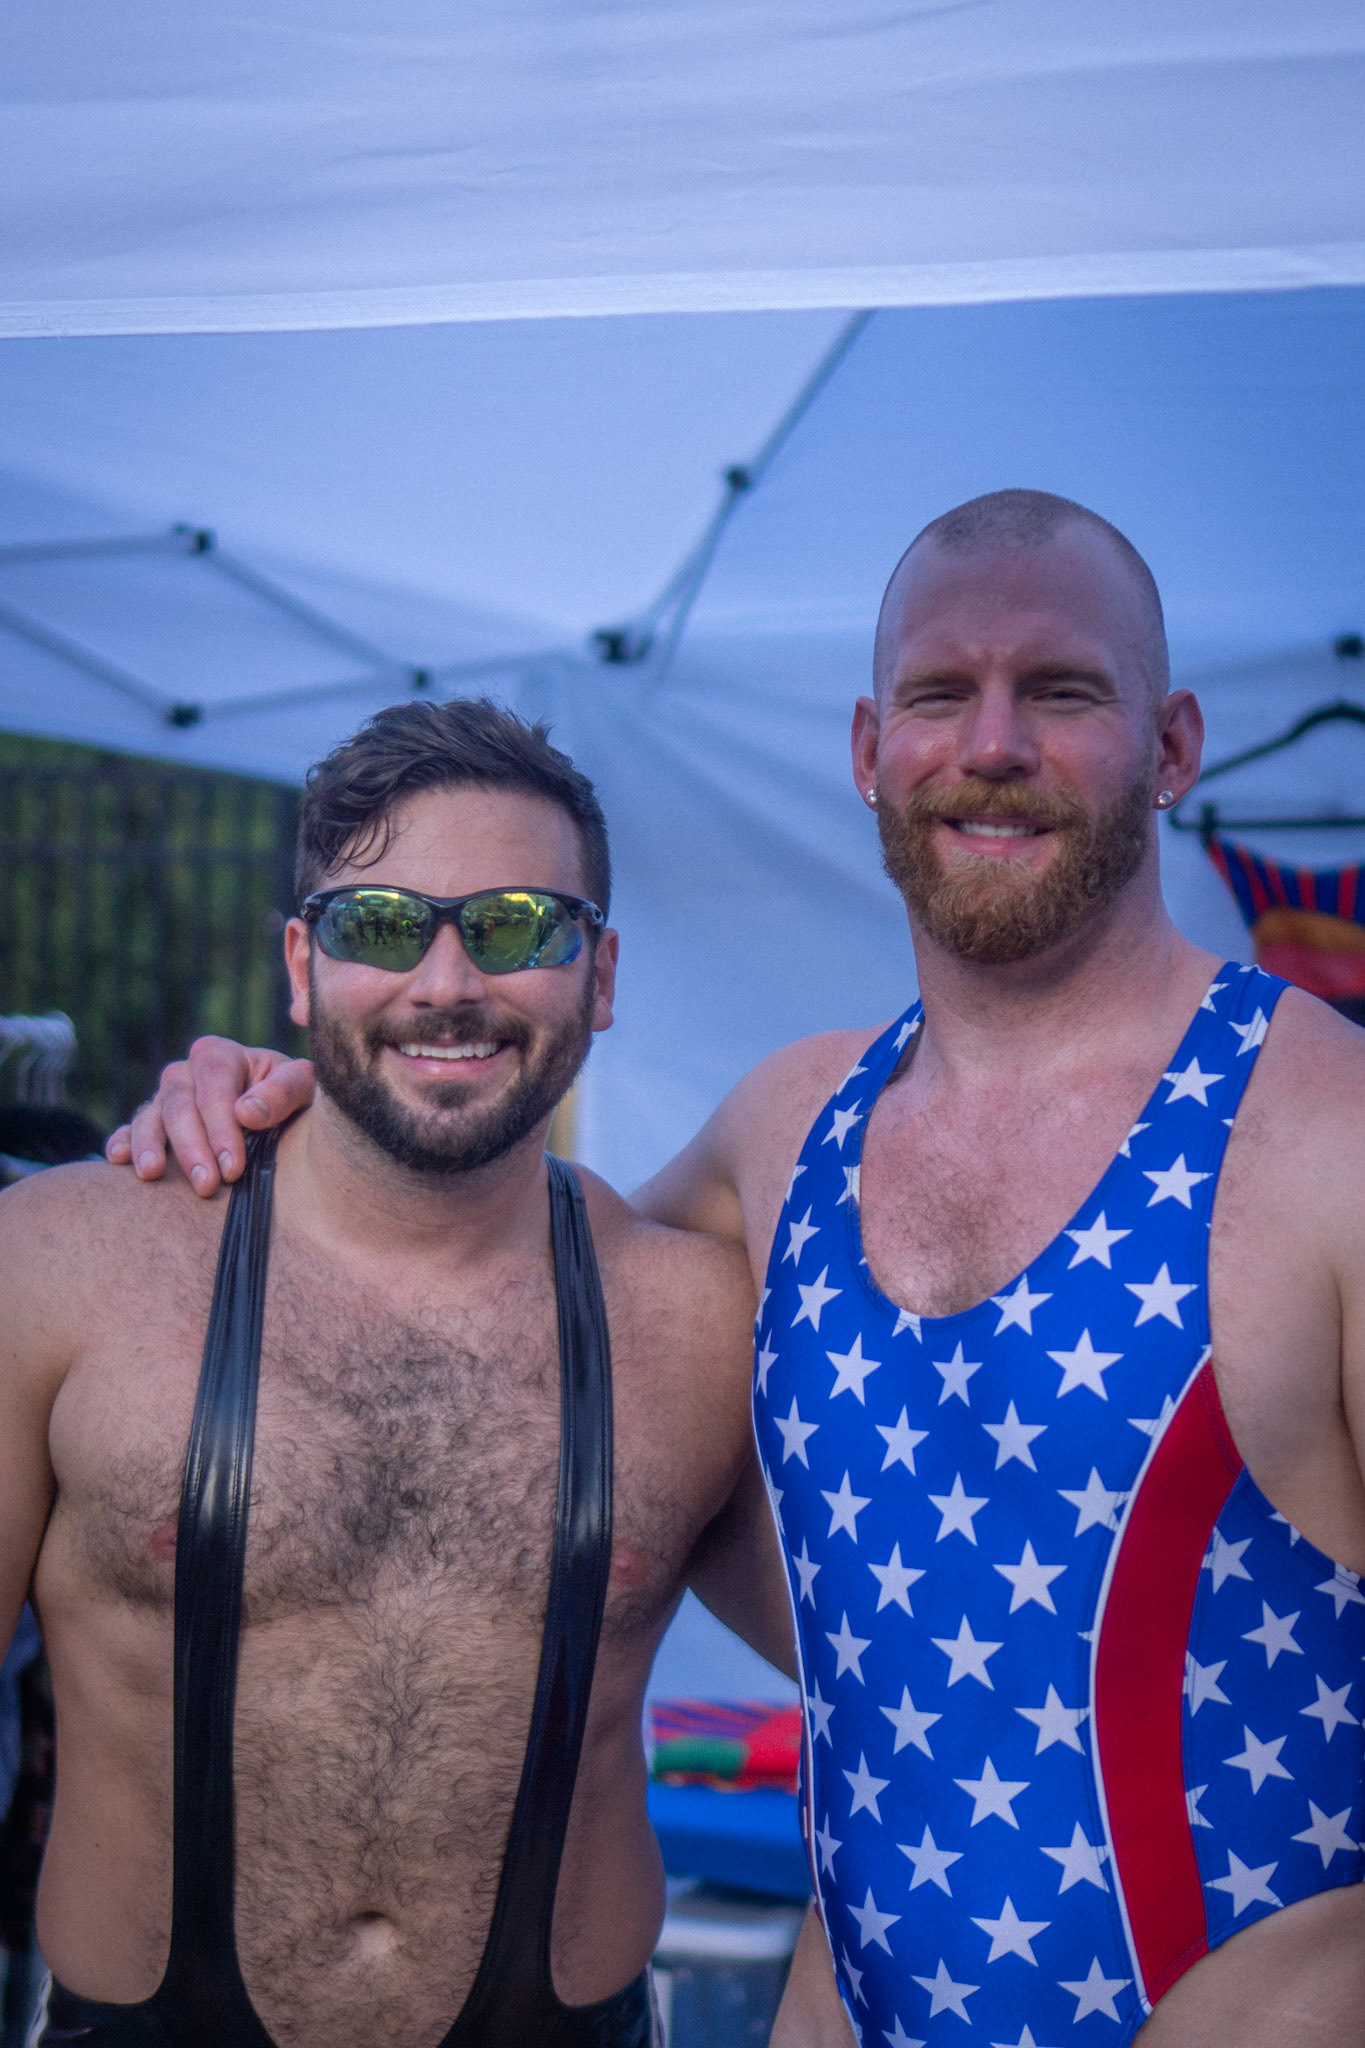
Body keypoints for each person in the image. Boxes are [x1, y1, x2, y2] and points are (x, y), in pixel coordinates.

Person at [116, 490, 1365, 2046]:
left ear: (1171, 746)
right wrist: (291, 1095)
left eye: (1059, 691)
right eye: (936, 695)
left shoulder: (1328, 1142)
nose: (989, 743)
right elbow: (496, 1297)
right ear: (864, 751)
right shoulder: (789, 1134)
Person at [1, 700, 778, 2048]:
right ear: (302, 969)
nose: (445, 982)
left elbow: (903, 1675)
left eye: (518, 925)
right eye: (378, 925)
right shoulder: (65, 1265)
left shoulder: (699, 1317)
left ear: (598, 973)